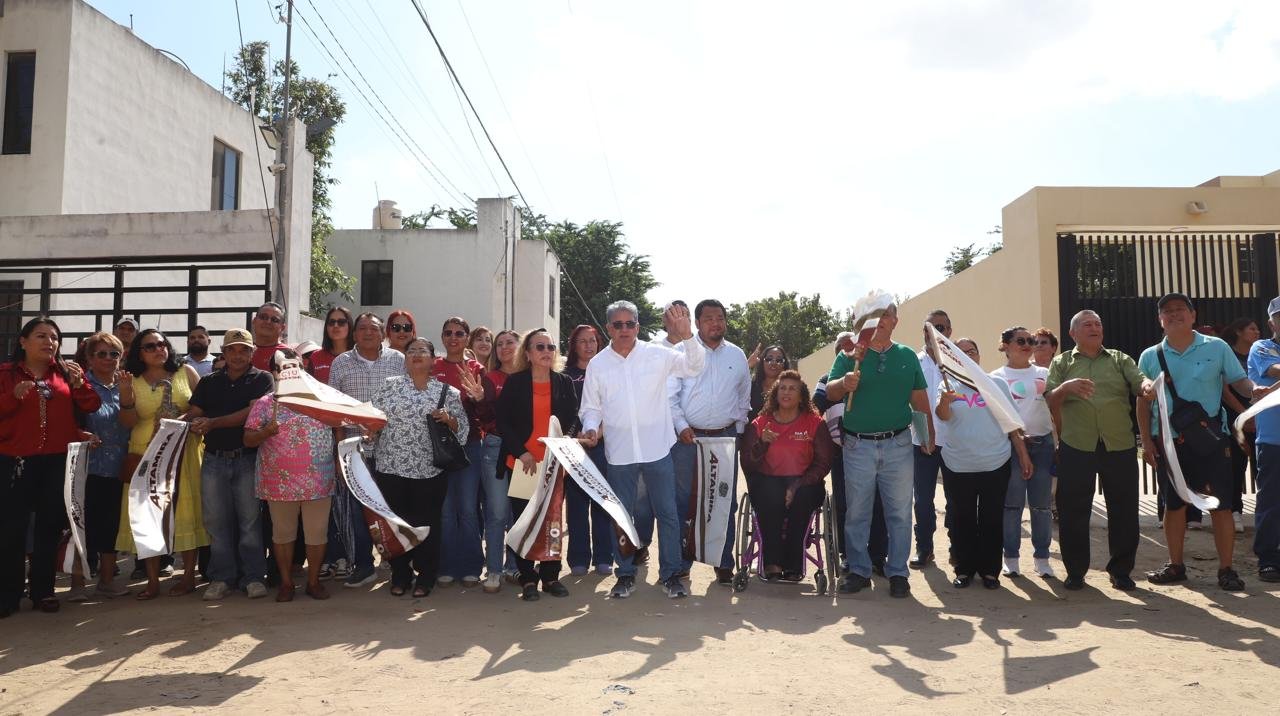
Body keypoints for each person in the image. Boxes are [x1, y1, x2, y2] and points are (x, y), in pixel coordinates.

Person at [580, 300, 705, 599]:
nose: (624, 329)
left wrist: (688, 335)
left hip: (657, 450)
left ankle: (671, 575)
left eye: (630, 324)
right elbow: (591, 408)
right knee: (621, 517)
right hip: (619, 454)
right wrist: (590, 427)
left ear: (638, 326)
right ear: (608, 328)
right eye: (618, 324)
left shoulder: (658, 354)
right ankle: (625, 574)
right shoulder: (598, 364)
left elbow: (694, 366)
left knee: (668, 514)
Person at [1137, 293, 1258, 592]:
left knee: (1220, 505)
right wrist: (1147, 441)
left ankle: (1226, 569)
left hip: (1211, 440)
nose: (1174, 314)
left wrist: (1255, 390)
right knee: (1174, 505)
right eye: (1167, 311)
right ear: (1160, 320)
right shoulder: (1150, 355)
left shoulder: (1217, 347)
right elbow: (1143, 401)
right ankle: (1176, 565)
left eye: (1180, 309)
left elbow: (1238, 381)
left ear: (1193, 315)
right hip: (1169, 443)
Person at [824, 299, 934, 598]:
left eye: (887, 315)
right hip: (857, 444)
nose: (881, 320)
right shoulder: (850, 354)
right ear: (864, 322)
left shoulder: (907, 356)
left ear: (895, 321)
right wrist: (844, 383)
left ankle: (897, 572)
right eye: (874, 315)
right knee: (857, 512)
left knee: (899, 512)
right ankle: (859, 570)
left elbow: (919, 401)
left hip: (898, 443)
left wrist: (928, 436)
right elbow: (830, 391)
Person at [0, 318, 100, 616]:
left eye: (54, 337)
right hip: (14, 459)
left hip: (56, 460)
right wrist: (12, 397)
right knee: (12, 529)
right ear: (23, 341)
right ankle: (9, 593)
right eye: (41, 336)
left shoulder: (66, 372)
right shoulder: (6, 373)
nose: (49, 342)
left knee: (49, 527)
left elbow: (91, 405)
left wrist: (79, 384)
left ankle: (43, 591)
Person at [1044, 310, 1145, 591]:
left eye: (1098, 323)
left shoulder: (1119, 359)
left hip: (1119, 443)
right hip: (1077, 444)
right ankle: (1075, 572)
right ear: (1073, 333)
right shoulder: (1062, 362)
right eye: (1087, 324)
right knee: (1073, 511)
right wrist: (1066, 388)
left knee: (1124, 510)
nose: (1095, 327)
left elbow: (1139, 382)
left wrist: (1149, 386)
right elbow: (1049, 399)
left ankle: (1121, 571)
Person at [370, 337, 468, 598]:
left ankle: (426, 577)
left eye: (422, 351)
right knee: (397, 524)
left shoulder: (447, 392)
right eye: (411, 351)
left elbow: (463, 431)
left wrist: (449, 419)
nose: (415, 354)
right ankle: (400, 575)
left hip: (429, 470)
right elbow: (372, 420)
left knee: (427, 524)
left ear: (433, 360)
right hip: (390, 467)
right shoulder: (389, 386)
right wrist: (368, 432)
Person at [116, 328, 209, 601]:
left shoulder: (186, 372)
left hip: (183, 449)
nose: (159, 349)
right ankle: (153, 580)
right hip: (146, 452)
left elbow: (202, 406)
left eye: (162, 344)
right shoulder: (131, 379)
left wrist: (181, 419)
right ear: (139, 353)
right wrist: (125, 396)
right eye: (150, 346)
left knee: (186, 512)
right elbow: (127, 423)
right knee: (148, 514)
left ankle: (188, 576)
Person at [936, 338, 1032, 589]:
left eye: (972, 351)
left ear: (979, 355)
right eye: (962, 352)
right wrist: (944, 401)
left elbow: (1011, 423)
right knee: (962, 518)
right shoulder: (947, 384)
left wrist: (1023, 454)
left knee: (991, 518)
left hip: (995, 462)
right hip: (958, 465)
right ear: (953, 357)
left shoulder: (995, 383)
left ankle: (990, 571)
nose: (968, 355)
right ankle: (964, 569)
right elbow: (943, 416)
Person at [187, 328, 275, 601]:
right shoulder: (208, 382)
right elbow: (194, 413)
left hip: (247, 459)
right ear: (223, 352)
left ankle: (253, 577)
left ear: (252, 353)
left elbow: (252, 412)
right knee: (216, 523)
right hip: (213, 459)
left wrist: (212, 423)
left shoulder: (262, 379)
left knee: (249, 522)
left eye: (243, 350)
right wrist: (183, 422)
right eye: (232, 349)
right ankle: (222, 577)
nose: (238, 355)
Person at [243, 349, 336, 601]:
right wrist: (265, 432)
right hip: (279, 482)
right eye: (282, 368)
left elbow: (341, 424)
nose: (289, 372)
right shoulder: (265, 404)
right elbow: (248, 439)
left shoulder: (321, 398)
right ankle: (286, 583)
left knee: (317, 533)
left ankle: (313, 582)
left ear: (303, 369)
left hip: (319, 479)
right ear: (274, 372)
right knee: (283, 534)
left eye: (295, 367)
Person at [671, 299, 750, 585]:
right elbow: (670, 397)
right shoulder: (681, 353)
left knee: (724, 502)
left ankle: (723, 562)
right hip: (688, 440)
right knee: (684, 501)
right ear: (697, 323)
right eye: (708, 319)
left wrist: (737, 431)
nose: (715, 323)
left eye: (720, 318)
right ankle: (681, 563)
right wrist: (681, 426)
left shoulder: (737, 355)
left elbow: (743, 396)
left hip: (725, 439)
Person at [496, 329, 579, 600]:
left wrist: (563, 442)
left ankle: (551, 576)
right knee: (524, 521)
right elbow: (503, 422)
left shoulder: (564, 382)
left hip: (554, 466)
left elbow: (573, 419)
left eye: (550, 347)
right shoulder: (515, 383)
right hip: (523, 465)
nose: (546, 351)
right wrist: (522, 453)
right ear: (528, 353)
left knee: (552, 520)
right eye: (540, 347)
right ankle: (527, 577)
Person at [328, 312, 404, 588]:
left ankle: (396, 564)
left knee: (391, 507)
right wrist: (339, 451)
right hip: (353, 449)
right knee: (358, 511)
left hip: (392, 448)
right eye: (362, 328)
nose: (368, 333)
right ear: (354, 333)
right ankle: (363, 565)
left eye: (373, 328)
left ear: (383, 333)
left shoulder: (398, 360)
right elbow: (333, 408)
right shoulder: (341, 363)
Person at [741, 370, 835, 581]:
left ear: (801, 396)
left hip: (805, 480)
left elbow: (824, 462)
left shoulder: (814, 423)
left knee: (802, 498)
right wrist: (762, 444)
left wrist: (797, 485)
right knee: (770, 496)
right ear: (775, 394)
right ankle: (772, 563)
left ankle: (794, 565)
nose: (786, 392)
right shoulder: (760, 423)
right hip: (767, 480)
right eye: (782, 388)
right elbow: (747, 463)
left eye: (792, 389)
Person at [432, 317, 495, 590]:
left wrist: (479, 397)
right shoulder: (433, 367)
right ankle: (446, 566)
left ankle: (471, 566)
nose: (453, 337)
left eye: (459, 333)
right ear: (442, 337)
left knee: (468, 508)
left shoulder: (477, 369)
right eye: (448, 333)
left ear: (467, 338)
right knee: (445, 510)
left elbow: (487, 414)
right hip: (438, 447)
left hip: (469, 446)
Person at [70, 332, 132, 601]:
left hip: (120, 465)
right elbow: (67, 422)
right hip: (87, 465)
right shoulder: (80, 385)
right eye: (102, 354)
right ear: (89, 358)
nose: (108, 358)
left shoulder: (127, 384)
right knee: (82, 525)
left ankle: (106, 581)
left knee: (111, 525)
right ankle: (77, 583)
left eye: (114, 353)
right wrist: (82, 435)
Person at [990, 326, 1056, 579]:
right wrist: (1017, 439)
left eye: (1031, 340)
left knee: (1042, 506)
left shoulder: (1045, 373)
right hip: (1010, 446)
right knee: (1012, 506)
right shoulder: (996, 377)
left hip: (1043, 445)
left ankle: (1042, 558)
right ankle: (1011, 558)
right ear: (1005, 345)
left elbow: (1056, 407)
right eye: (1021, 340)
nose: (1028, 344)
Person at [563, 324, 615, 576]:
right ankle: (578, 559)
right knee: (576, 504)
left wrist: (598, 433)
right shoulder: (564, 375)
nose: (588, 345)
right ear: (573, 345)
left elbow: (614, 408)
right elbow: (561, 412)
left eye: (592, 340)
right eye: (582, 341)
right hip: (573, 445)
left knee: (603, 501)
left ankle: (604, 557)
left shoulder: (608, 372)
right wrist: (575, 437)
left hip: (603, 444)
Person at [476, 329, 519, 592]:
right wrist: (480, 400)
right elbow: (484, 417)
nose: (504, 347)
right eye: (499, 344)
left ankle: (514, 566)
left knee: (518, 513)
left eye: (509, 343)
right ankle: (493, 570)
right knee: (497, 512)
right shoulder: (490, 378)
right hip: (495, 448)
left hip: (525, 452)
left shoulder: (530, 376)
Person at [912, 308, 952, 568]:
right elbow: (912, 402)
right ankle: (924, 548)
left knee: (956, 501)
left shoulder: (958, 361)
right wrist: (925, 435)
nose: (935, 332)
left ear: (949, 331)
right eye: (930, 327)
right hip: (922, 443)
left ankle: (958, 549)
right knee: (923, 501)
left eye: (941, 327)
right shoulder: (913, 362)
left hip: (954, 443)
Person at [1246, 297, 1280, 583]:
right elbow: (1274, 371)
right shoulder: (1262, 347)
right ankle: (1268, 558)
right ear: (1271, 323)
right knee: (1271, 500)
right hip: (1273, 440)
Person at [1221, 316, 1260, 534]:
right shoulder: (1229, 355)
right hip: (1235, 419)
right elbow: (1225, 391)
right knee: (1235, 466)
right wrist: (1244, 414)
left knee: (1262, 466)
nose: (1257, 332)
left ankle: (1265, 510)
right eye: (1252, 328)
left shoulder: (1260, 354)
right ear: (1238, 332)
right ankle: (1235, 510)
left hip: (1262, 417)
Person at [308, 306, 353, 385]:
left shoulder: (359, 356)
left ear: (350, 326)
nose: (335, 325)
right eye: (331, 322)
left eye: (341, 322)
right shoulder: (315, 357)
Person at [749, 345, 788, 422]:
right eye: (769, 359)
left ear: (784, 365)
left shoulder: (790, 389)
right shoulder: (750, 386)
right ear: (762, 363)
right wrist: (748, 365)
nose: (773, 363)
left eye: (779, 360)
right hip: (750, 429)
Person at [250, 302, 290, 371]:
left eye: (274, 320)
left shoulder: (288, 355)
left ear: (282, 327)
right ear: (254, 321)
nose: (268, 322)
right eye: (263, 317)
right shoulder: (242, 351)